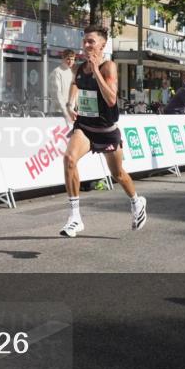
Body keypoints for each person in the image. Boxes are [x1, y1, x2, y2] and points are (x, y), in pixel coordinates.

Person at [60, 25, 146, 238]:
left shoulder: (109, 67)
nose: (87, 45)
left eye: (91, 41)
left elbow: (111, 99)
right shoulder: (79, 68)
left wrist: (96, 70)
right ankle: (75, 217)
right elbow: (75, 83)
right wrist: (71, 104)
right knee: (69, 159)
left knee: (118, 174)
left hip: (107, 130)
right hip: (85, 127)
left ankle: (137, 202)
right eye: (85, 41)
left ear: (102, 44)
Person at [50, 50, 77, 122]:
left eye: (72, 59)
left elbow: (75, 92)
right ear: (63, 58)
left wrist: (76, 108)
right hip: (59, 112)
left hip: (71, 111)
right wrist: (66, 111)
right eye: (68, 59)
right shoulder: (57, 72)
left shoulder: (72, 73)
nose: (70, 61)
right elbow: (57, 94)